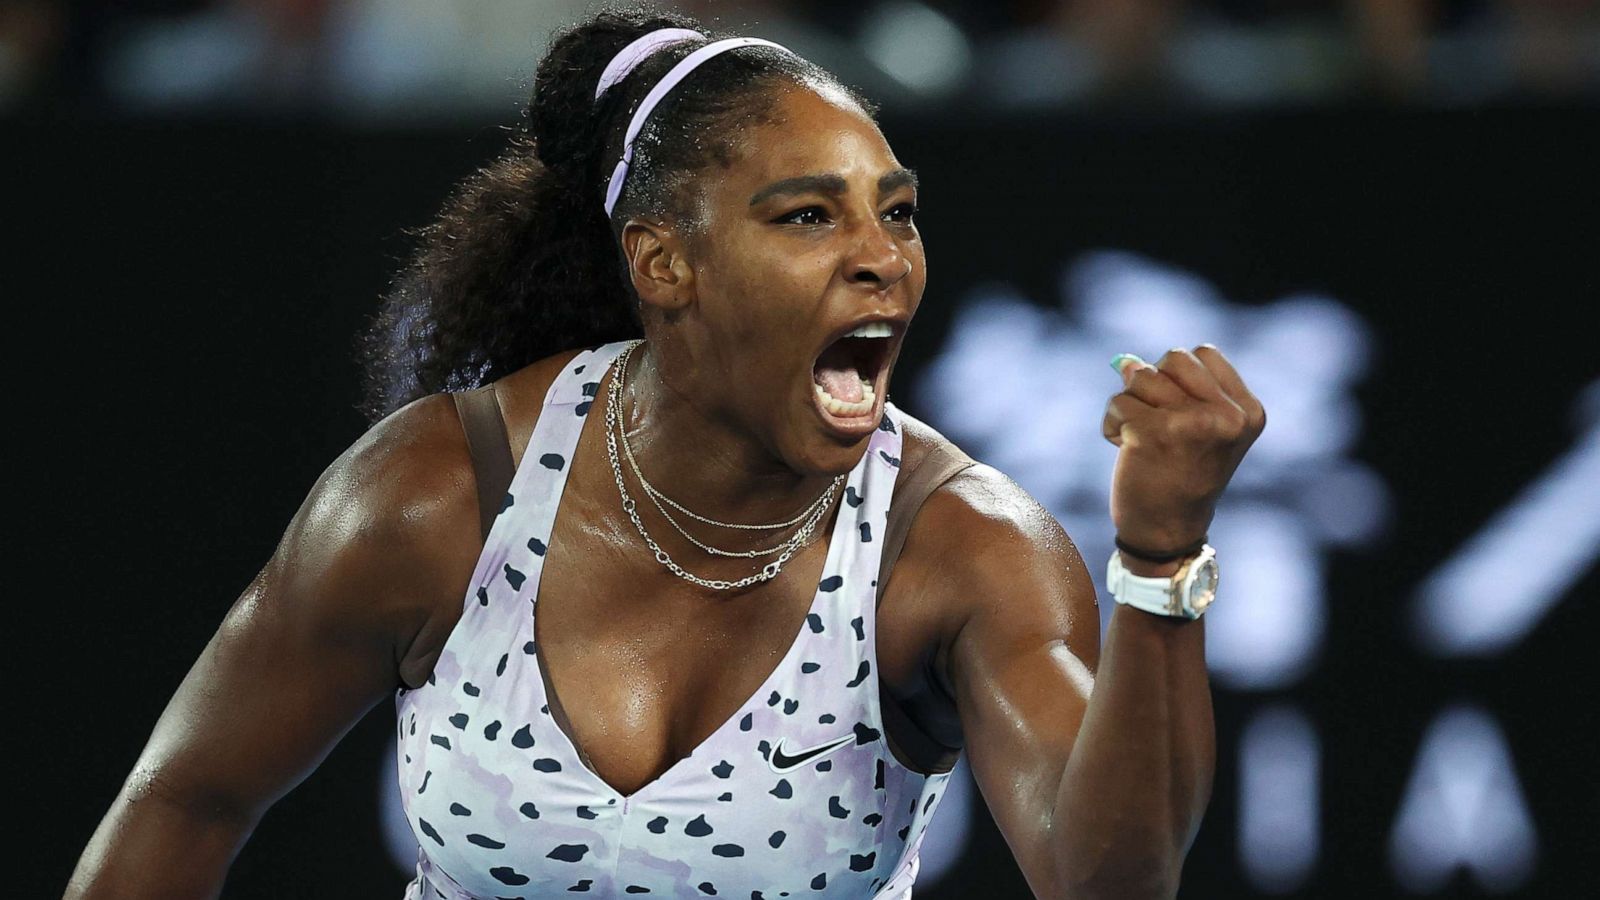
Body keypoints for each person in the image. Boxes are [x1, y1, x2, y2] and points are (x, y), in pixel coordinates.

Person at [66, 6, 1264, 898]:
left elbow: (1108, 882)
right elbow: (184, 799)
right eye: (808, 215)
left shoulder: (961, 547)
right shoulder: (437, 495)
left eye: (894, 210)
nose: (882, 256)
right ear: (663, 263)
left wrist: (1160, 558)